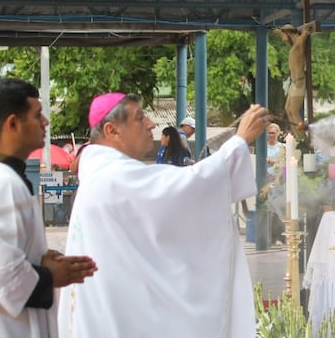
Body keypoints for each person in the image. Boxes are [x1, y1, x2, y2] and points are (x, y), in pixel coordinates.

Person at [58, 93, 271, 338]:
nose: (151, 124)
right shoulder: (112, 177)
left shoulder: (101, 173)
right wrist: (240, 140)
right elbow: (187, 189)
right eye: (140, 118)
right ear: (112, 130)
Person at [0, 78, 97, 338]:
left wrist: (39, 260)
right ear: (13, 123)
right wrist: (53, 275)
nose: (45, 121)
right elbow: (5, 279)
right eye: (37, 114)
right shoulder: (1, 185)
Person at [279, 22, 315, 127]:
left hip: (299, 81)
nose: (282, 38)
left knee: (294, 112)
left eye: (283, 35)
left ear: (288, 34)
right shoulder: (294, 46)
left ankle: (303, 138)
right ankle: (297, 136)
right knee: (288, 110)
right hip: (294, 82)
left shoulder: (298, 44)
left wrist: (305, 31)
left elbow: (305, 33)